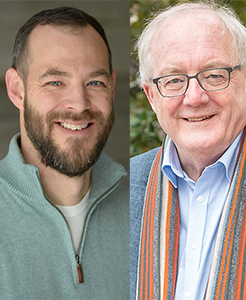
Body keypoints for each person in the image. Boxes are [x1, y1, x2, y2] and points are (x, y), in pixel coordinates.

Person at [130, 2, 246, 300]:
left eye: (214, 75)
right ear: (151, 96)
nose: (194, 97)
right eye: (174, 80)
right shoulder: (122, 190)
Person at [0, 7, 129, 299]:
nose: (79, 103)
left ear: (111, 89)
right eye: (55, 82)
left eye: (94, 83)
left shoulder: (142, 214)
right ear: (17, 90)